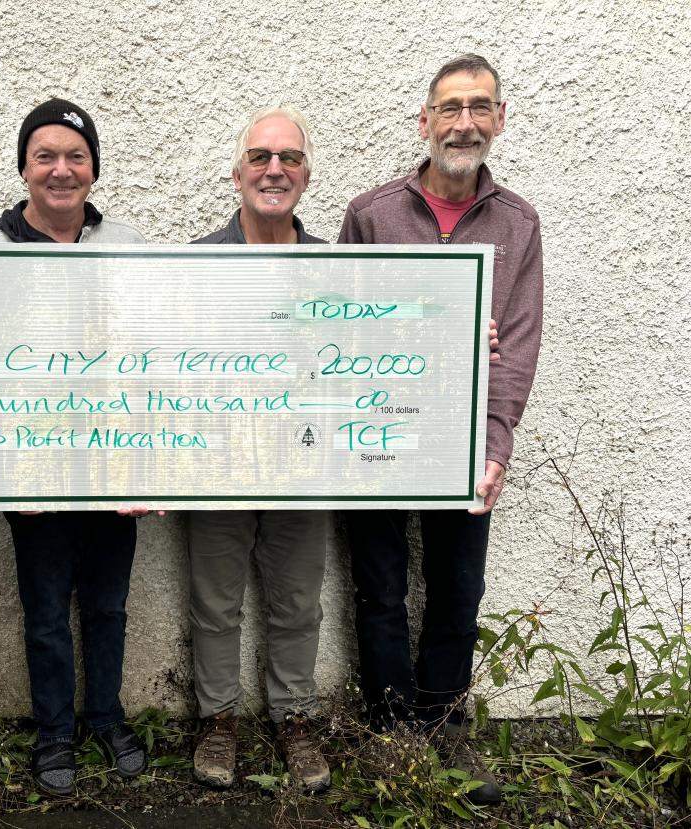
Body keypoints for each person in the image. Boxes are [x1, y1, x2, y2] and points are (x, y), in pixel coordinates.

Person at [339, 54, 543, 804]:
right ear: (424, 121)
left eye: (479, 107)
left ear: (498, 119)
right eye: (449, 107)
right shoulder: (370, 214)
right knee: (379, 587)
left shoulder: (517, 224)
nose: (464, 122)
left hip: (462, 444)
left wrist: (494, 445)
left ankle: (445, 726)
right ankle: (390, 733)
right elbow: (339, 326)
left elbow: (516, 344)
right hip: (378, 438)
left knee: (458, 587)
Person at [0, 98, 148, 796]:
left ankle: (104, 716)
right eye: (45, 155)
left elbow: (152, 356)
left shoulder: (128, 246)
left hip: (113, 466)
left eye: (75, 155)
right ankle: (53, 733)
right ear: (23, 168)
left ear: (94, 169)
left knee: (107, 605)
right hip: (30, 471)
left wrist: (150, 467)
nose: (61, 169)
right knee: (45, 612)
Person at [187, 107, 331, 793]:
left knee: (297, 602)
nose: (275, 168)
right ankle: (217, 719)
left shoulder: (335, 267)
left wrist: (449, 332)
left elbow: (381, 348)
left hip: (305, 466)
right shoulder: (194, 264)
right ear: (237, 172)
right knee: (216, 603)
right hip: (215, 467)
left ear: (306, 175)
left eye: (290, 158)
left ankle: (294, 720)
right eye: (261, 155)